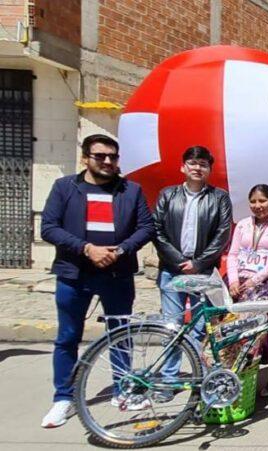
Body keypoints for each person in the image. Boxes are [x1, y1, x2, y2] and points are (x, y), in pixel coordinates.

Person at [40, 134, 155, 428]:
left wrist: (121, 250)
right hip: (74, 274)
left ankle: (122, 390)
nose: (107, 162)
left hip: (117, 274)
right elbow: (49, 227)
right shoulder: (65, 188)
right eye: (100, 156)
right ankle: (63, 398)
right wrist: (86, 249)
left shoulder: (131, 190)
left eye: (113, 157)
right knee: (67, 337)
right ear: (85, 158)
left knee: (120, 334)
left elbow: (145, 227)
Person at [154, 146, 232, 393]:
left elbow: (222, 234)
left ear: (209, 170)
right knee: (173, 327)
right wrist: (178, 260)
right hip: (171, 270)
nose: (198, 168)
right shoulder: (168, 195)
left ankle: (199, 380)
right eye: (193, 163)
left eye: (203, 164)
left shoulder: (219, 197)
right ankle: (169, 379)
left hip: (203, 272)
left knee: (201, 329)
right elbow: (157, 230)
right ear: (183, 167)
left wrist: (197, 263)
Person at [226, 184, 268, 397]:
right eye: (253, 201)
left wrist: (255, 280)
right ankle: (238, 377)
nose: (258, 206)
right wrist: (234, 280)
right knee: (234, 330)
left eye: (262, 201)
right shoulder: (243, 225)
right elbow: (233, 254)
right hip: (240, 283)